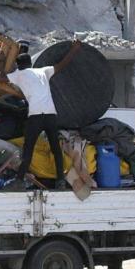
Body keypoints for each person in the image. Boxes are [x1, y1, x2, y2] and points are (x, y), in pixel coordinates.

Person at [6, 41, 82, 188]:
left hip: (35, 117)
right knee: (56, 149)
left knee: (28, 149)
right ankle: (60, 180)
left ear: (19, 65)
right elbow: (62, 64)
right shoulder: (42, 71)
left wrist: (1, 59)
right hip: (50, 116)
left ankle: (19, 180)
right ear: (30, 63)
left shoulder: (18, 74)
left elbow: (2, 78)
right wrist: (75, 49)